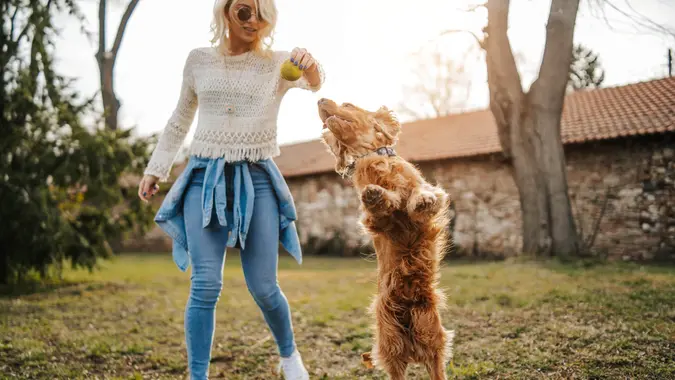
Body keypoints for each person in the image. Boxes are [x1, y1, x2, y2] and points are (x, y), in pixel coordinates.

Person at [137, 0, 324, 378]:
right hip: (203, 178)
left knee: (265, 287)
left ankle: (289, 356)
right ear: (225, 12)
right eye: (243, 10)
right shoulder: (199, 60)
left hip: (257, 178)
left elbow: (315, 83)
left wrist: (312, 63)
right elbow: (179, 119)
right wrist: (155, 168)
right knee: (205, 284)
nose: (253, 20)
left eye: (261, 13)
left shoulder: (278, 63)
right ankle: (198, 375)